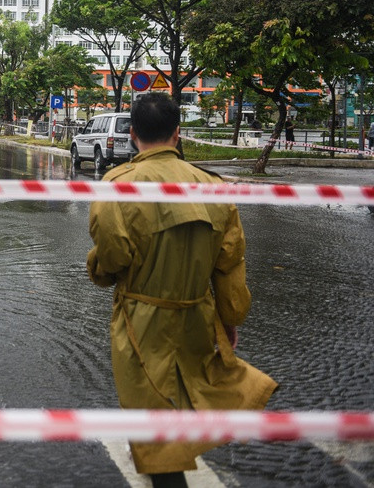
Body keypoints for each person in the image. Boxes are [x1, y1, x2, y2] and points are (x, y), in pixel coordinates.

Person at [86, 92, 276, 488]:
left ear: (133, 134)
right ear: (177, 133)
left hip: (142, 320)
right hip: (196, 317)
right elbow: (229, 265)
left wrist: (96, 266)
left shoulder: (118, 186)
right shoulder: (212, 187)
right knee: (191, 400)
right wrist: (230, 318)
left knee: (153, 422)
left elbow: (111, 263)